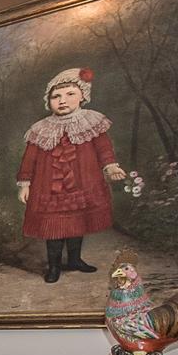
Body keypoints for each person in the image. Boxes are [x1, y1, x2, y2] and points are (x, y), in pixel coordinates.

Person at [17, 66, 127, 284]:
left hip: (82, 183)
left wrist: (111, 167)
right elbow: (29, 159)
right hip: (49, 187)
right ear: (48, 101)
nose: (62, 100)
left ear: (82, 96)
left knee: (77, 223)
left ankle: (75, 260)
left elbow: (103, 148)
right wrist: (25, 184)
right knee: (54, 228)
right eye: (56, 96)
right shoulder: (40, 128)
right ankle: (54, 266)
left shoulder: (91, 121)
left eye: (69, 94)